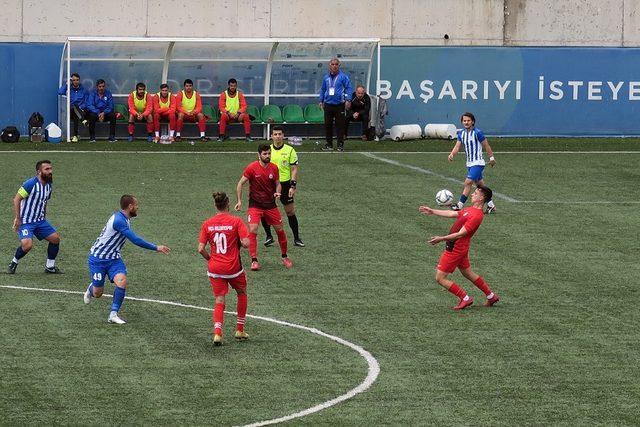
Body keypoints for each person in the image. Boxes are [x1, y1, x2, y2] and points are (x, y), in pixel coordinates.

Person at [83, 195, 170, 324]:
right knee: (98, 293)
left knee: (122, 281)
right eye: (136, 205)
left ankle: (113, 314)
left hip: (114, 259)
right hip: (98, 259)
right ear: (130, 206)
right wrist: (156, 247)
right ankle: (91, 289)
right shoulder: (119, 220)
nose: (137, 207)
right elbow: (135, 240)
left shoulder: (125, 218)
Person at [419, 186, 500, 310]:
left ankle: (465, 298)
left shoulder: (477, 216)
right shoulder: (470, 210)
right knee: (467, 273)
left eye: (475, 193)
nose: (472, 194)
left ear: (482, 198)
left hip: (455, 248)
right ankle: (491, 296)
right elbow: (452, 213)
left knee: (440, 278)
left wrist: (441, 238)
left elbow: (460, 234)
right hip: (461, 247)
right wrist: (433, 211)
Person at [198, 192, 250, 346]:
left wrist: (210, 258)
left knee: (219, 299)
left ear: (215, 205)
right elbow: (246, 243)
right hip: (233, 268)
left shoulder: (207, 223)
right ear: (228, 204)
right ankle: (239, 329)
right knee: (242, 292)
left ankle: (217, 334)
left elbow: (200, 248)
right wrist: (246, 239)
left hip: (215, 268)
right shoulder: (236, 221)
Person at [235, 144, 293, 271]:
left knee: (280, 230)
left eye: (269, 153)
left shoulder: (274, 168)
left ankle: (284, 257)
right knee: (253, 229)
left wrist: (278, 191)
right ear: (259, 155)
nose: (267, 156)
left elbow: (278, 184)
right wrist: (239, 201)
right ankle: (254, 260)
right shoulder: (252, 168)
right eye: (265, 154)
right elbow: (240, 183)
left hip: (270, 205)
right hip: (255, 205)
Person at [8, 160, 62, 275]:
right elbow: (16, 199)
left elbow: (44, 202)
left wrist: (44, 217)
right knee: (27, 245)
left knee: (55, 239)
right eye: (47, 169)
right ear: (39, 171)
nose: (50, 171)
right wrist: (18, 218)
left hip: (40, 221)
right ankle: (14, 262)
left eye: (50, 169)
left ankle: (50, 266)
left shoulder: (48, 185)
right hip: (26, 221)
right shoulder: (30, 184)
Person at [261, 126, 304, 248]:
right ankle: (269, 236)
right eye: (275, 134)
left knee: (290, 212)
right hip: (270, 184)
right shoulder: (267, 150)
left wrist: (293, 185)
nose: (278, 136)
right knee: (264, 212)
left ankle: (296, 238)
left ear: (283, 135)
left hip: (285, 184)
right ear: (271, 136)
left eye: (280, 134)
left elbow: (294, 169)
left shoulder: (290, 150)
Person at [449, 112, 497, 213]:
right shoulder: (461, 133)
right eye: (464, 121)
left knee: (468, 182)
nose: (466, 122)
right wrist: (452, 154)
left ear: (473, 122)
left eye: (468, 121)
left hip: (478, 163)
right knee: (480, 186)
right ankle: (491, 205)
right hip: (469, 164)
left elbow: (486, 145)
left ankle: (459, 205)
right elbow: (457, 146)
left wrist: (492, 158)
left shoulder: (477, 133)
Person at [318, 58, 353, 152]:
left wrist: (348, 100)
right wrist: (321, 100)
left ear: (339, 65)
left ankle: (340, 145)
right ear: (329, 66)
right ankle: (329, 144)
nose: (334, 66)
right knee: (328, 125)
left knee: (340, 125)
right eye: (332, 64)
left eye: (336, 64)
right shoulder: (326, 77)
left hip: (339, 105)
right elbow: (323, 89)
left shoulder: (343, 77)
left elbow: (349, 88)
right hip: (328, 104)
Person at [217, 78, 253, 142]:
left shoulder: (239, 94)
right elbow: (221, 107)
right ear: (229, 86)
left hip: (237, 115)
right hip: (228, 115)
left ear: (236, 86)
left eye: (234, 86)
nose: (233, 87)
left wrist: (238, 113)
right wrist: (228, 113)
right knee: (223, 116)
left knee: (246, 116)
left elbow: (244, 106)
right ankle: (221, 136)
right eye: (231, 86)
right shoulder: (223, 94)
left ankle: (248, 136)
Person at [57, 72, 88, 142]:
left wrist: (81, 108)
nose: (75, 81)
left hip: (82, 110)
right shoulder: (68, 89)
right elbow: (60, 92)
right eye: (73, 80)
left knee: (76, 113)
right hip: (70, 111)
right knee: (74, 107)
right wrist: (66, 84)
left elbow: (87, 102)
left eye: (77, 80)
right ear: (71, 81)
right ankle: (83, 120)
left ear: (79, 80)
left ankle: (75, 136)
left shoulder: (84, 90)